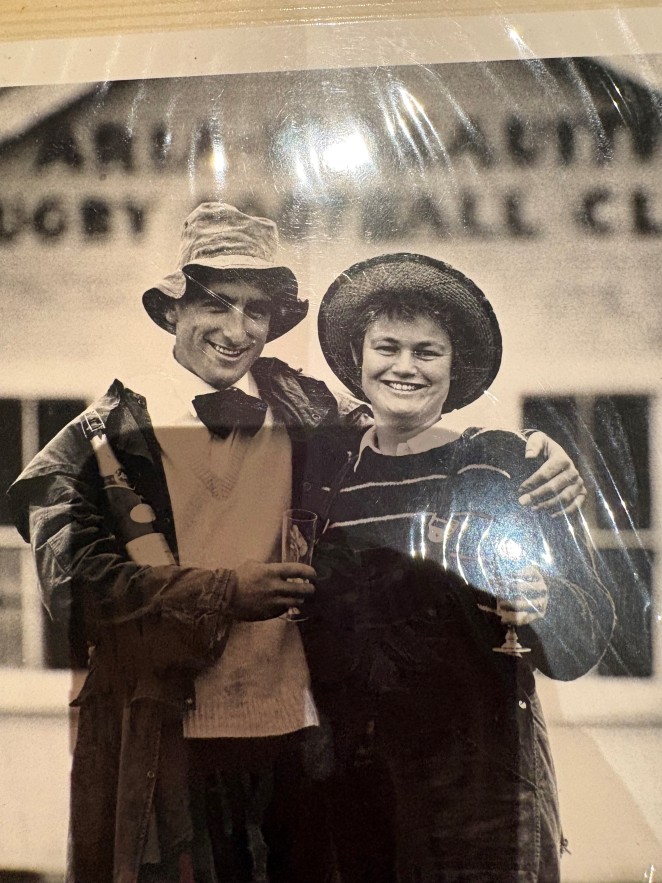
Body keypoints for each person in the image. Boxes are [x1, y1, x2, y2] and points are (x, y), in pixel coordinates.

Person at [8, 206, 584, 883]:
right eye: (216, 303)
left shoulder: (307, 408)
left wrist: (531, 456)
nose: (236, 328)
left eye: (258, 310)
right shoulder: (95, 439)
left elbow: (404, 423)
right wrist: (227, 591)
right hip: (165, 750)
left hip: (300, 752)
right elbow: (75, 588)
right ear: (171, 311)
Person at [301, 252, 616, 883]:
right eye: (386, 347)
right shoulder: (326, 473)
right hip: (353, 780)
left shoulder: (504, 464)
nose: (404, 367)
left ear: (455, 367)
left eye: (428, 351)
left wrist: (545, 602)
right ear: (358, 359)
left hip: (481, 786)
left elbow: (585, 634)